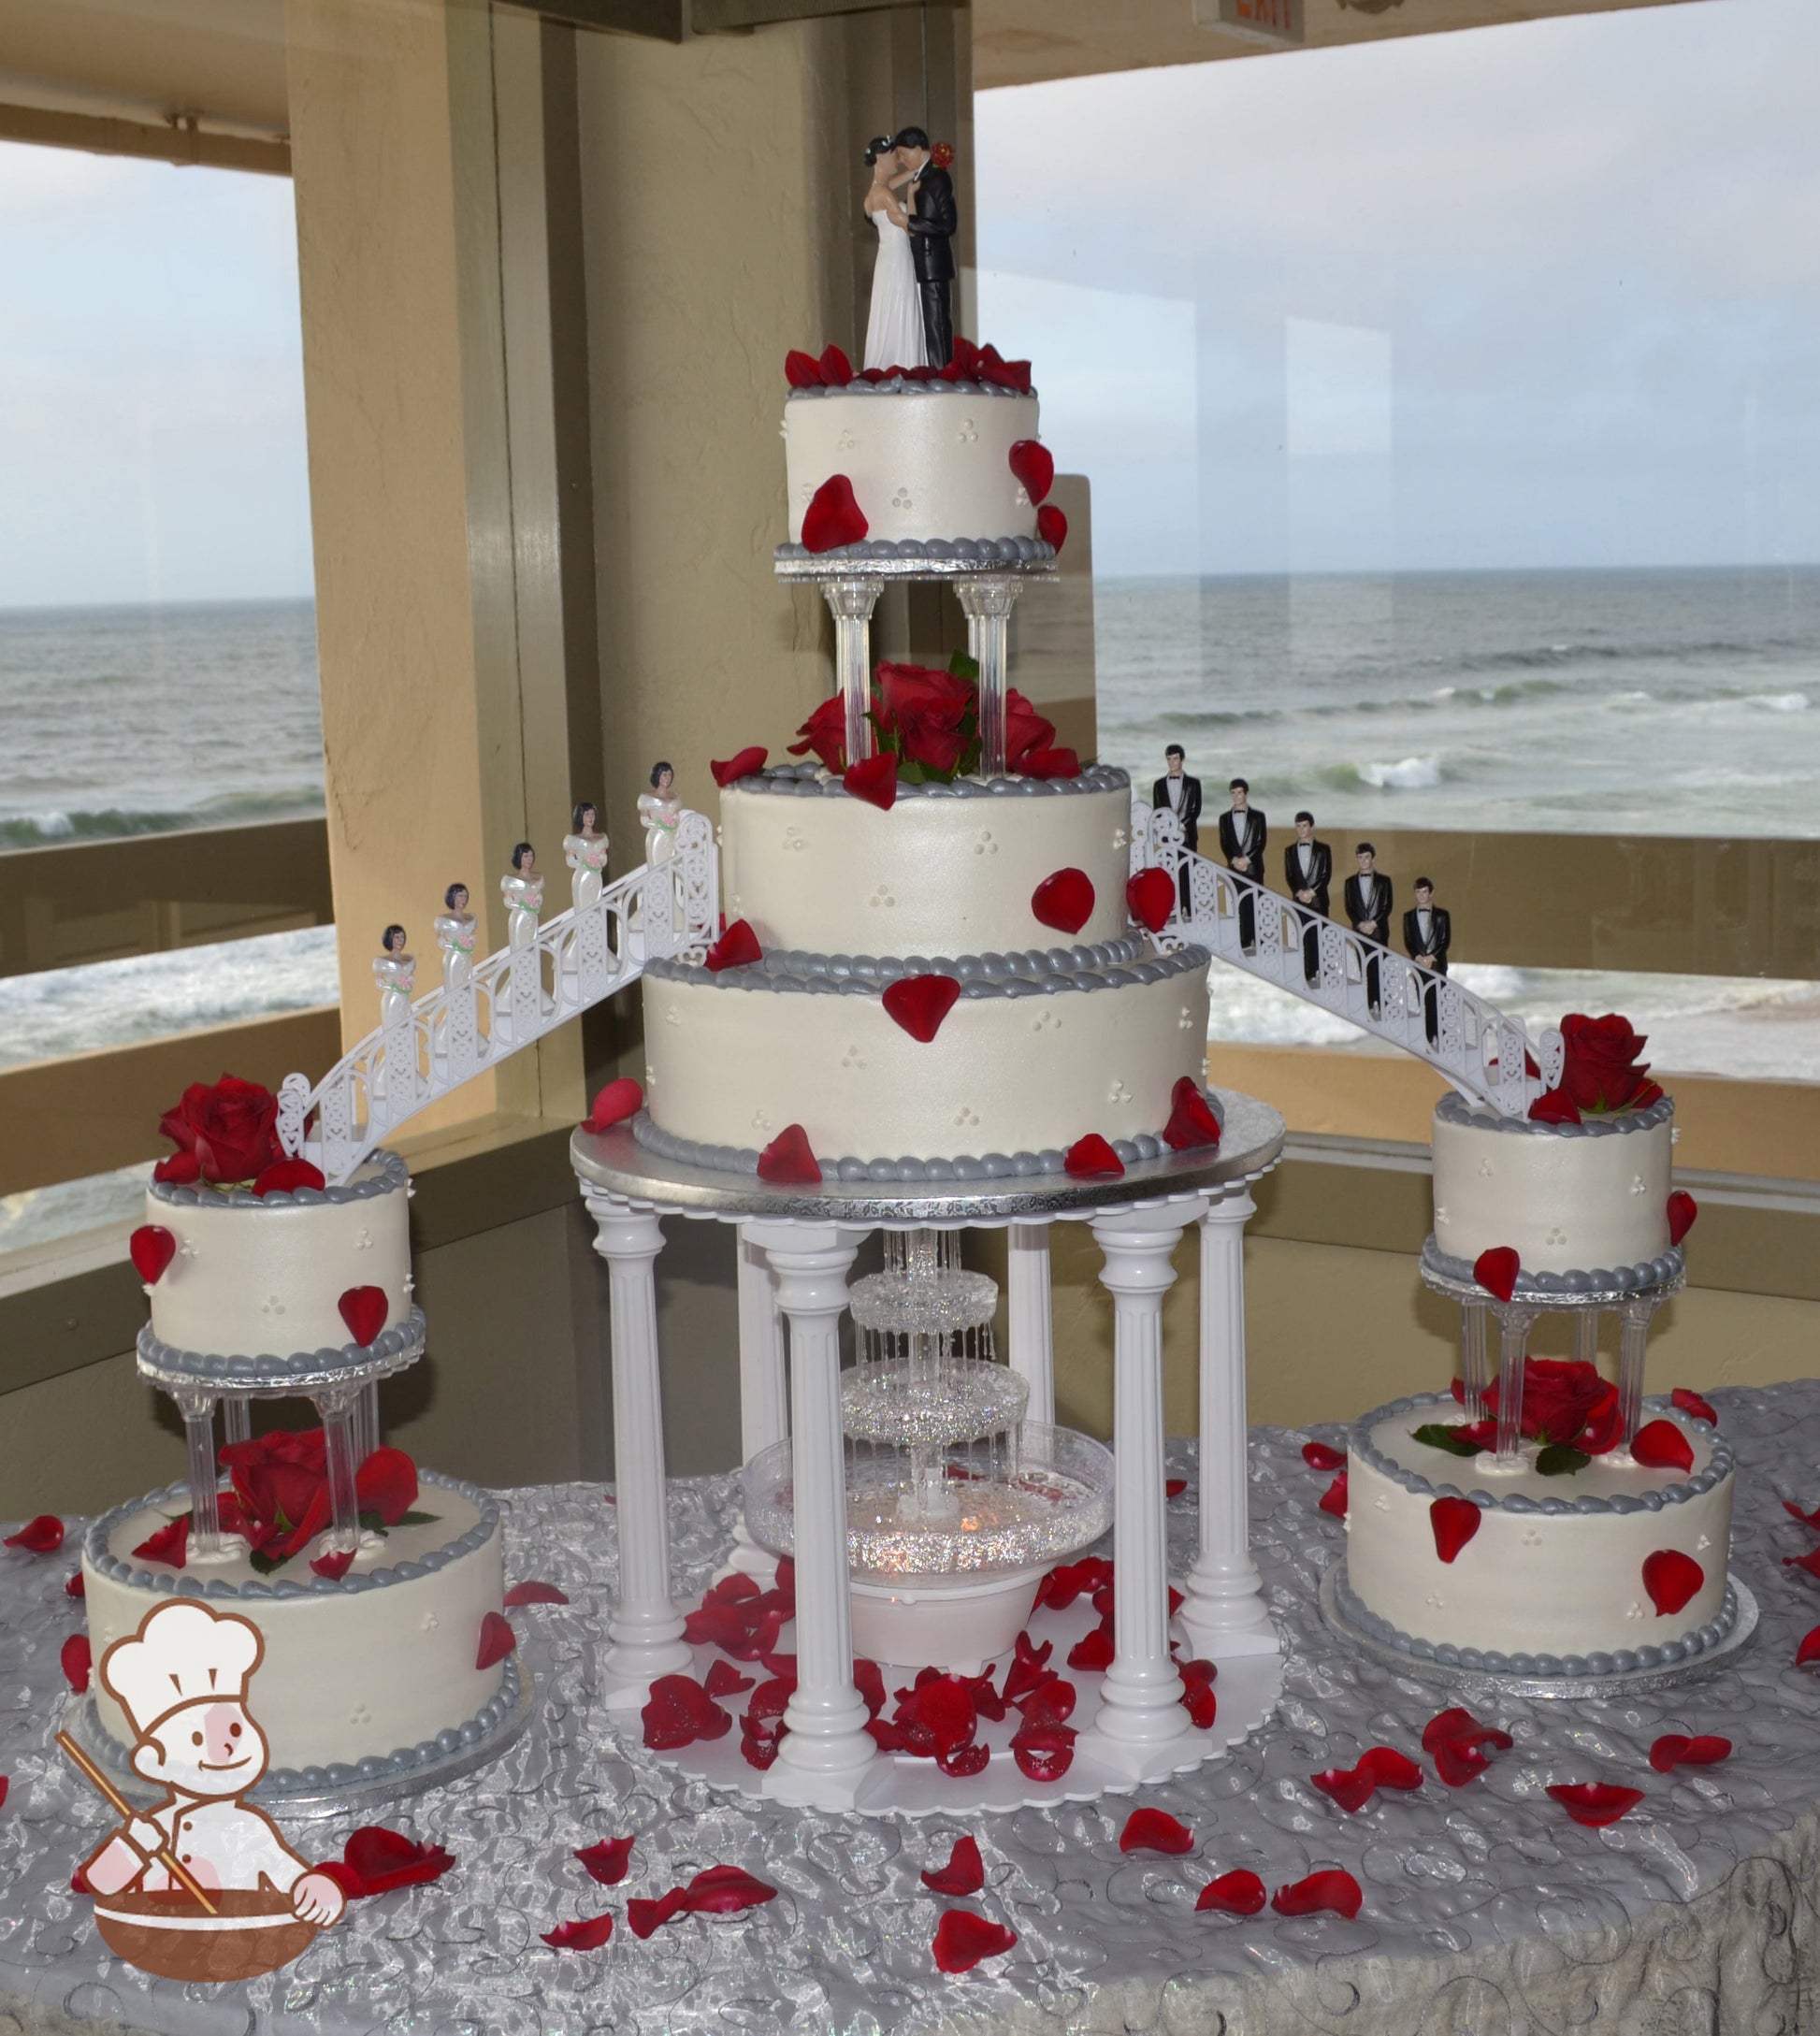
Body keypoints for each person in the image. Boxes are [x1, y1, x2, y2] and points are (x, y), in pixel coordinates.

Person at [80, 1601, 346, 1935]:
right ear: (153, 1761)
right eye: (195, 1736)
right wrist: (134, 1848)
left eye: (236, 1728)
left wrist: (318, 1891)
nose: (227, 1747)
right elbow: (102, 1883)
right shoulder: (153, 1830)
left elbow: (291, 1879)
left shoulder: (249, 1829)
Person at [893, 126, 957, 368]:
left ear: (918, 149)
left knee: (937, 322)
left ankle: (943, 372)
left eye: (903, 153)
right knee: (929, 322)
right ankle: (936, 369)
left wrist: (911, 222)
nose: (901, 160)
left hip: (934, 262)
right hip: (923, 261)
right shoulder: (920, 176)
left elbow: (948, 224)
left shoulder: (937, 177)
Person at [860, 136, 924, 372]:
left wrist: (912, 172)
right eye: (893, 156)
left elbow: (890, 183)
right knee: (901, 302)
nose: (897, 161)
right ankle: (904, 361)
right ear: (880, 158)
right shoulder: (885, 195)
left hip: (887, 258)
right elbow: (910, 228)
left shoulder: (874, 193)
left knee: (889, 305)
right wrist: (911, 193)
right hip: (898, 257)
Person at [1217, 778, 1267, 954]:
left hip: (1253, 867)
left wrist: (1246, 860)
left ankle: (1258, 938)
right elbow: (1225, 843)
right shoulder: (1224, 818)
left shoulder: (1258, 817)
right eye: (1233, 792)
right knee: (1239, 903)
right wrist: (1233, 860)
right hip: (1234, 868)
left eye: (1239, 792)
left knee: (1255, 902)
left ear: (1245, 793)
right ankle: (1244, 938)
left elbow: (1260, 842)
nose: (1236, 796)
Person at [1282, 811, 1332, 987]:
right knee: (1303, 937)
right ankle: (1307, 972)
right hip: (1299, 901)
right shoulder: (1289, 851)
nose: (1301, 829)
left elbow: (1326, 874)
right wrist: (1298, 893)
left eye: (1304, 825)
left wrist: (1311, 893)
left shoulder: (1323, 849)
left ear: (1311, 827)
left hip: (1318, 900)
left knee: (1320, 936)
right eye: (1298, 826)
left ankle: (1323, 971)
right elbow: (1289, 875)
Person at [1152, 744, 1202, 914]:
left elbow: (1196, 809)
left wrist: (1181, 825)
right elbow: (1158, 810)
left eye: (1175, 758)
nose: (1172, 762)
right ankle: (1172, 907)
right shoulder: (1159, 785)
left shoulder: (1193, 784)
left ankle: (1188, 906)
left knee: (1187, 871)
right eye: (1169, 759)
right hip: (1167, 836)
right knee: (1170, 872)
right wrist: (1166, 828)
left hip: (1187, 835)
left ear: (1182, 759)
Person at [1345, 843, 1393, 1017]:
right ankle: (1369, 1004)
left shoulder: (1384, 881)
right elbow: (1349, 907)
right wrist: (1359, 924)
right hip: (1359, 932)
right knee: (1364, 968)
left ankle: (1381, 1003)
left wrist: (1373, 924)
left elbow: (1387, 906)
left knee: (1380, 968)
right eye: (1360, 857)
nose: (1363, 861)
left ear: (1372, 858)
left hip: (1378, 931)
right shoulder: (1349, 883)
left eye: (1366, 857)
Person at [1403, 876, 1452, 1046]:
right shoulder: (1408, 916)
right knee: (1424, 1002)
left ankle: (1442, 1036)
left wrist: (1431, 957)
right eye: (1418, 892)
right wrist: (1418, 957)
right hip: (1419, 965)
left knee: (1439, 1001)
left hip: (1437, 965)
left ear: (1431, 893)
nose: (1422, 895)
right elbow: (1409, 941)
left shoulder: (1442, 915)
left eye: (1425, 892)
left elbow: (1445, 940)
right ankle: (1429, 1038)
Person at [563, 801, 610, 915]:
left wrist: (598, 860)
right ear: (581, 816)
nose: (590, 817)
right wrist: (584, 860)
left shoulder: (602, 838)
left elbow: (604, 859)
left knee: (596, 904)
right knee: (583, 907)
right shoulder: (573, 840)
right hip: (582, 876)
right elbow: (570, 861)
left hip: (596, 876)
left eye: (592, 814)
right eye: (587, 814)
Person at [434, 883, 477, 992]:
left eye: (465, 896)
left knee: (467, 985)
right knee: (453, 987)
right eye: (460, 896)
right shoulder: (443, 920)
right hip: (453, 957)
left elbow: (472, 938)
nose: (463, 899)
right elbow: (441, 942)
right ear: (452, 897)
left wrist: (469, 944)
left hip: (466, 957)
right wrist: (457, 945)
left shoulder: (472, 918)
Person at [500, 843, 542, 950]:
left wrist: (535, 903)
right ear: (519, 857)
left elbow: (539, 898)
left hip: (532, 918)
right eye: (526, 856)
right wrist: (524, 903)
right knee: (520, 946)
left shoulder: (538, 878)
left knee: (533, 945)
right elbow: (508, 901)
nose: (529, 859)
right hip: (519, 917)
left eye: (531, 856)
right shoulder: (510, 881)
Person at [639, 762, 681, 866]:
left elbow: (677, 817)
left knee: (673, 864)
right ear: (657, 776)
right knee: (658, 865)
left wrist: (673, 821)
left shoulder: (675, 797)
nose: (667, 778)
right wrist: (660, 823)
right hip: (657, 836)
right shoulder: (647, 799)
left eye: (670, 775)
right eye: (664, 775)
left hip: (672, 836)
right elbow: (644, 821)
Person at [373, 923, 414, 1023]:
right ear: (390, 938)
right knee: (392, 1024)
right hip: (392, 999)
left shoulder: (409, 959)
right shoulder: (381, 962)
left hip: (405, 999)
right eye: (397, 937)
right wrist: (396, 987)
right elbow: (379, 983)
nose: (400, 940)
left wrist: (408, 985)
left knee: (406, 1024)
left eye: (402, 937)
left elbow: (410, 978)